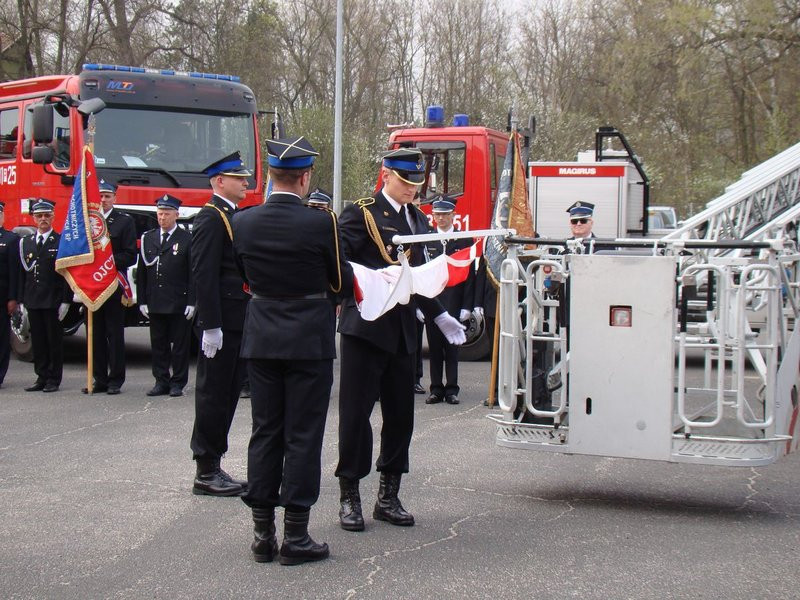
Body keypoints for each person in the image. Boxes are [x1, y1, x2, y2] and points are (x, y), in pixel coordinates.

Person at [233, 137, 353, 566]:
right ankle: (296, 535)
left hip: (262, 336)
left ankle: (262, 533)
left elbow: (244, 278)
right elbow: (339, 283)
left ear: (269, 176)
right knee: (302, 434)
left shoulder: (243, 222)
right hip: (308, 340)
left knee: (265, 430)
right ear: (305, 178)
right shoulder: (321, 223)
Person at [336, 148, 466, 532]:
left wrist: (440, 312)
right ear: (385, 174)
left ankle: (388, 496)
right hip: (366, 327)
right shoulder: (361, 212)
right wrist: (369, 284)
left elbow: (421, 275)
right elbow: (341, 264)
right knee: (356, 417)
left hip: (403, 331)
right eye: (405, 182)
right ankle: (350, 496)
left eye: (416, 184)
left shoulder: (417, 217)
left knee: (400, 417)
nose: (412, 190)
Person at [189, 151, 251, 497]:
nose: (245, 182)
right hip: (222, 323)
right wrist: (210, 324)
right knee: (213, 394)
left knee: (227, 394)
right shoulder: (211, 217)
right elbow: (204, 273)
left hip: (236, 320)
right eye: (238, 177)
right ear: (219, 181)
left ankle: (214, 463)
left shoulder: (230, 215)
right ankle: (205, 469)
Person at [136, 194, 195, 398]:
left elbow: (192, 273)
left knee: (179, 346)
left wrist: (192, 302)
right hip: (156, 299)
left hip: (179, 300)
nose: (162, 218)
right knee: (158, 344)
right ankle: (161, 380)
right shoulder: (149, 238)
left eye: (167, 214)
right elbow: (142, 272)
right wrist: (142, 300)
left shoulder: (187, 239)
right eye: (160, 214)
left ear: (176, 215)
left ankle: (178, 382)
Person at [85, 180, 137, 395]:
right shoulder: (89, 222)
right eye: (101, 196)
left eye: (107, 196)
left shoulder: (124, 222)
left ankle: (116, 379)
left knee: (114, 333)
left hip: (114, 285)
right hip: (92, 285)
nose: (103, 200)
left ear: (115, 198)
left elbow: (130, 254)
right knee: (94, 333)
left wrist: (106, 262)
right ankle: (99, 378)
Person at [423, 195, 474, 405]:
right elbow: (421, 271)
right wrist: (420, 304)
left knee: (452, 348)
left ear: (453, 215)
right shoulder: (426, 238)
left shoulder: (464, 239)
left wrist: (467, 306)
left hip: (454, 300)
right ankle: (436, 389)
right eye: (437, 214)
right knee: (434, 348)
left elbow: (471, 274)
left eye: (444, 214)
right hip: (433, 300)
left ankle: (452, 389)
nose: (440, 218)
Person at [18, 199, 71, 392]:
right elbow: (23, 274)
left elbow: (66, 275)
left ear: (53, 217)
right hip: (33, 299)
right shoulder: (26, 242)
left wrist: (66, 300)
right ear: (33, 218)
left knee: (53, 341)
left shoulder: (60, 241)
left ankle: (53, 379)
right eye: (39, 216)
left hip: (53, 300)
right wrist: (21, 299)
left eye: (46, 216)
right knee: (38, 341)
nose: (43, 219)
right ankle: (41, 376)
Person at [0, 201, 19, 387]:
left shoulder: (11, 239)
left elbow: (14, 272)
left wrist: (13, 297)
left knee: (1, 338)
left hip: (2, 297)